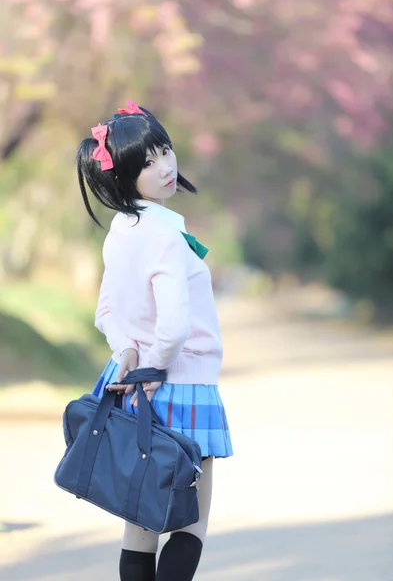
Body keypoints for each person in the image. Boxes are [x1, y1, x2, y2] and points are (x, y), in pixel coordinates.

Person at [76, 99, 233, 581]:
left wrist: (127, 353)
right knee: (190, 525)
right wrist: (158, 365)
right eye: (146, 162)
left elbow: (105, 311)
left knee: (140, 527)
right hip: (181, 387)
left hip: (131, 392)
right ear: (122, 176)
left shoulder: (121, 230)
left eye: (164, 151)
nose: (165, 166)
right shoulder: (164, 233)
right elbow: (175, 324)